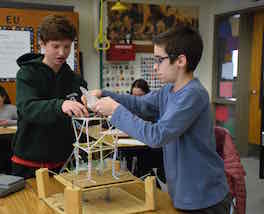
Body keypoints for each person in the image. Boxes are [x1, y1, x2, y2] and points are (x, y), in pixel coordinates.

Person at [89, 26, 231, 213]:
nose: (155, 66)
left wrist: (115, 111)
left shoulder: (193, 95)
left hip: (204, 198)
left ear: (180, 60)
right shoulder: (168, 90)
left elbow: (157, 136)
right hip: (183, 193)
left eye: (159, 60)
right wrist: (103, 94)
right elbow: (138, 104)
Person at [12, 15, 88, 179]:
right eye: (56, 46)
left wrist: (92, 106)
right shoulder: (27, 74)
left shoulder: (75, 79)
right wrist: (60, 105)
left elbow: (82, 114)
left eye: (67, 47)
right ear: (42, 44)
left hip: (64, 162)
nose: (62, 53)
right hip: (29, 163)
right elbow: (27, 108)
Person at [126, 79, 166, 188]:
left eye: (140, 95)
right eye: (134, 95)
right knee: (126, 156)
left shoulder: (153, 109)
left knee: (142, 164)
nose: (137, 99)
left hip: (150, 147)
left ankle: (150, 186)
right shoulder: (129, 107)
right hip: (132, 145)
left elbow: (157, 129)